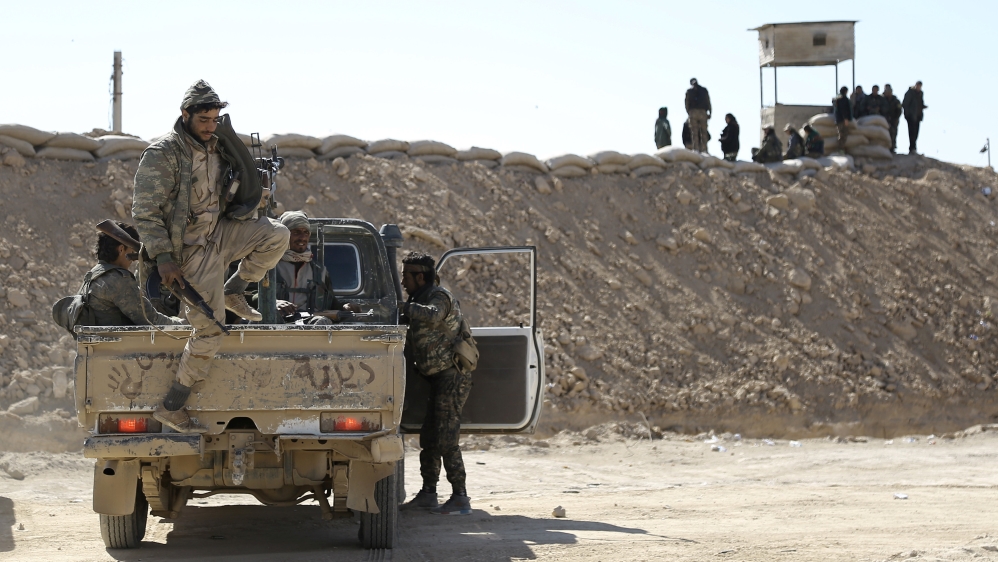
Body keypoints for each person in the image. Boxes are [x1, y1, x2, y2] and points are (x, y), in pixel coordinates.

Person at [133, 80, 290, 433]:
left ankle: (235, 289)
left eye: (214, 119)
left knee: (277, 234)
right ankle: (173, 405)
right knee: (210, 328)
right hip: (188, 251)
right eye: (203, 119)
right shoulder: (163, 154)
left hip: (218, 234)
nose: (209, 126)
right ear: (185, 114)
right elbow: (145, 212)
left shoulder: (219, 147)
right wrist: (163, 257)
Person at [400, 251, 474, 516]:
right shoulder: (417, 299)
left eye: (406, 276)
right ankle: (428, 493)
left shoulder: (439, 297)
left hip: (451, 377)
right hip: (435, 378)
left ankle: (460, 497)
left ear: (420, 277)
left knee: (446, 439)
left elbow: (433, 315)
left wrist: (403, 307)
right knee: (430, 438)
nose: (403, 282)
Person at [80, 222, 183, 327]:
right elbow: (151, 320)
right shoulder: (118, 279)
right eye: (132, 252)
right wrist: (184, 324)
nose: (133, 259)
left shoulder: (93, 275)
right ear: (121, 249)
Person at [271, 210, 358, 324]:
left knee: (322, 322)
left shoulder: (319, 271)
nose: (302, 237)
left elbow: (331, 302)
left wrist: (344, 307)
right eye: (296, 232)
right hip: (274, 325)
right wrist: (273, 303)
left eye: (306, 232)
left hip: (309, 325)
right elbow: (250, 295)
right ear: (284, 235)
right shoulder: (268, 265)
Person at [685, 78, 711, 153]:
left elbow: (686, 103)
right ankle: (704, 149)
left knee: (694, 132)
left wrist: (689, 112)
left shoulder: (689, 91)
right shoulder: (704, 90)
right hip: (703, 112)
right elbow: (708, 101)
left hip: (693, 112)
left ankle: (696, 149)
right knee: (703, 132)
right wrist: (710, 112)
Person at [902, 81, 927, 154]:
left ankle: (914, 148)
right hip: (911, 116)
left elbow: (920, 103)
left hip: (918, 116)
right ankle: (912, 148)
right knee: (912, 132)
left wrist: (922, 106)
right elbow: (905, 104)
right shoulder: (910, 93)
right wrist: (907, 114)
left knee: (916, 133)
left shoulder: (920, 93)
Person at [883, 84, 904, 153]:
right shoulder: (882, 100)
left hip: (894, 120)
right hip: (884, 119)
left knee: (893, 133)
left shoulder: (896, 100)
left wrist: (895, 118)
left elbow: (899, 110)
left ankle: (892, 147)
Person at [833, 86, 853, 154]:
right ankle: (840, 149)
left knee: (841, 134)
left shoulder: (837, 98)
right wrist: (845, 119)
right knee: (843, 135)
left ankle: (840, 149)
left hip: (838, 119)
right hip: (842, 120)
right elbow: (843, 109)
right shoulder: (842, 99)